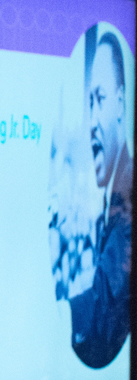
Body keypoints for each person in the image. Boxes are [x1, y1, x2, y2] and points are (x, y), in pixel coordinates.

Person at [69, 31, 132, 368]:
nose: (92, 121)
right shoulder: (114, 197)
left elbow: (100, 333)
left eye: (101, 99)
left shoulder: (127, 207)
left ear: (121, 104)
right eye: (89, 102)